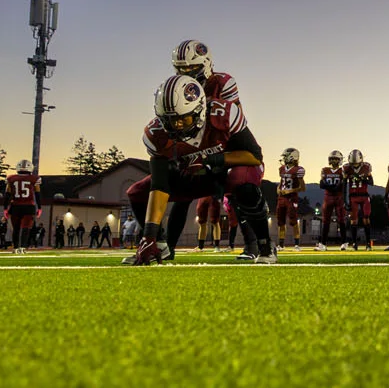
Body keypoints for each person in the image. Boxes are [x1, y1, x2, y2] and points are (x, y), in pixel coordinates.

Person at [123, 73, 275, 265]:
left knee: (242, 181)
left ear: (200, 110)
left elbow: (253, 157)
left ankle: (265, 245)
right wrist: (149, 234)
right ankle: (160, 245)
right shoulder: (156, 134)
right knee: (136, 192)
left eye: (183, 120)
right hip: (192, 175)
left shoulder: (224, 114)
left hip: (224, 172)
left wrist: (212, 159)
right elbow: (159, 185)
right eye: (168, 121)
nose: (176, 127)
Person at [4, 160, 41, 254]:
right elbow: (37, 193)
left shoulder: (11, 178)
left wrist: (5, 208)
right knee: (26, 227)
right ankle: (23, 247)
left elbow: (7, 194)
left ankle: (15, 248)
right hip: (29, 206)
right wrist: (39, 207)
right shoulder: (34, 178)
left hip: (15, 205)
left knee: (16, 228)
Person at [343, 149, 375, 250]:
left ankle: (368, 244)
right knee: (353, 220)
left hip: (364, 196)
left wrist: (362, 179)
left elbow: (371, 182)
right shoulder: (346, 168)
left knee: (366, 218)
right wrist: (345, 200)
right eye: (353, 163)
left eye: (356, 163)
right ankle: (354, 244)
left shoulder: (366, 167)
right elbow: (344, 185)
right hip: (353, 196)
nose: (355, 166)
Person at [316, 150, 347, 251]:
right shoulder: (325, 170)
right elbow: (321, 184)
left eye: (335, 159)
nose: (333, 161)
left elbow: (343, 185)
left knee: (341, 220)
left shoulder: (342, 170)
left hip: (339, 197)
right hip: (328, 197)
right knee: (325, 221)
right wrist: (333, 187)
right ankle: (323, 244)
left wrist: (332, 187)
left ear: (340, 160)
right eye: (332, 159)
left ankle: (344, 243)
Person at [276, 148, 306, 250]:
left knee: (293, 221)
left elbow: (302, 188)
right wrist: (278, 188)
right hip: (281, 198)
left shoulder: (298, 170)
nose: (284, 158)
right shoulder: (282, 169)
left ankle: (297, 244)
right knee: (280, 222)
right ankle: (281, 244)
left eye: (285, 156)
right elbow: (282, 181)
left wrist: (289, 191)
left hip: (291, 198)